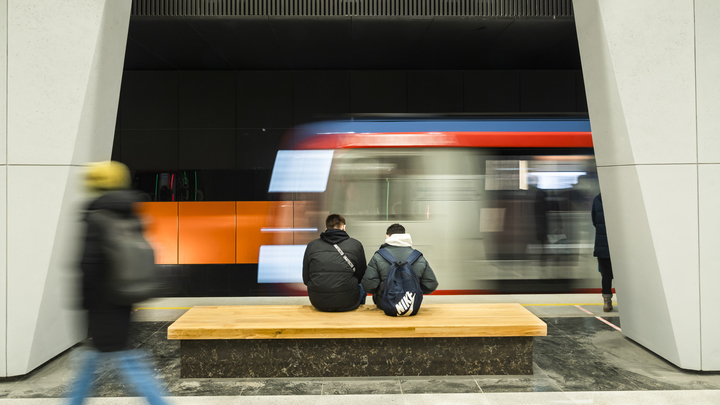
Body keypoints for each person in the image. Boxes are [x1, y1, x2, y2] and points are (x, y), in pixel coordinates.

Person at [69, 161, 167, 405]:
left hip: (103, 301)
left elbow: (89, 265)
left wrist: (83, 301)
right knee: (103, 358)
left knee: (119, 360)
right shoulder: (129, 211)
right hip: (125, 295)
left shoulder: (97, 216)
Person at [362, 223, 438, 310]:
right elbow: (431, 285)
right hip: (411, 305)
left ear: (388, 236)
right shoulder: (418, 257)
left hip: (384, 305)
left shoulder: (378, 256)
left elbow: (369, 286)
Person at [302, 214, 368, 312]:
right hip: (349, 302)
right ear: (344, 227)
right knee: (362, 283)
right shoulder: (356, 245)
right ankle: (360, 310)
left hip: (318, 302)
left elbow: (306, 279)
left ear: (326, 228)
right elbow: (361, 276)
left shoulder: (312, 245)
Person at [591, 193, 614, 312]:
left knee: (606, 275)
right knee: (623, 275)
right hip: (618, 245)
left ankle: (607, 302)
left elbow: (594, 221)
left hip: (601, 244)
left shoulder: (597, 199)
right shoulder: (616, 198)